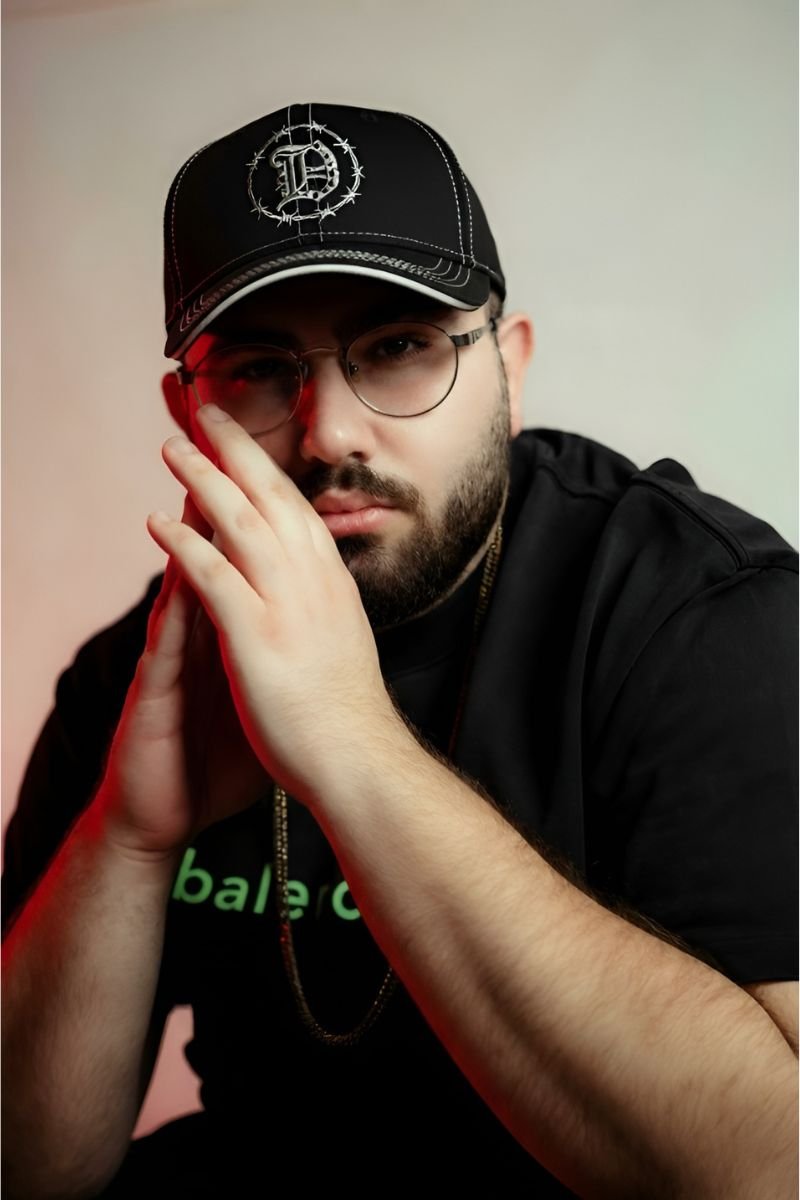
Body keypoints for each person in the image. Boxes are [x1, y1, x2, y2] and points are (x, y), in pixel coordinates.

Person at [2, 102, 797, 1199]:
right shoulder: (141, 674)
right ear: (190, 411)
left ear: (508, 370)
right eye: (260, 369)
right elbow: (28, 1170)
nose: (328, 433)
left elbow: (771, 1169)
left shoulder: (692, 615)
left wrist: (346, 740)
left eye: (398, 347)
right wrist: (127, 839)